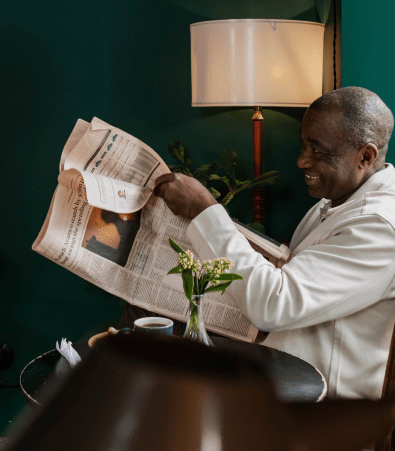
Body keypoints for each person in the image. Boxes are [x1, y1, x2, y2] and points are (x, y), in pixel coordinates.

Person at [151, 86, 395, 400]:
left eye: (318, 149)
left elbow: (274, 305)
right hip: (280, 372)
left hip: (321, 405)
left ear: (366, 156)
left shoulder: (378, 227)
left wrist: (204, 209)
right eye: (303, 144)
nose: (302, 161)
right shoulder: (338, 201)